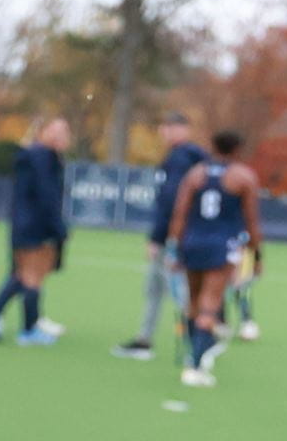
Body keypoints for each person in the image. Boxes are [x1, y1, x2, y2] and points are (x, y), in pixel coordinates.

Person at [166, 128, 262, 388]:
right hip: (221, 246)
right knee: (210, 302)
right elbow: (251, 221)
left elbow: (180, 214)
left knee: (192, 302)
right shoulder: (243, 177)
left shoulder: (195, 175)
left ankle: (191, 354)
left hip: (191, 243)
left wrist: (174, 248)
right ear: (236, 150)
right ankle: (195, 367)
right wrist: (256, 254)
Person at [111, 112, 205, 361]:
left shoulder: (181, 157)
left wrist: (158, 237)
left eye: (168, 127)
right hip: (190, 234)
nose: (164, 133)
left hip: (175, 237)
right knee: (160, 289)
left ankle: (197, 345)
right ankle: (146, 339)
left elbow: (171, 201)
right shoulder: (193, 157)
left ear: (181, 129)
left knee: (179, 292)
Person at [0, 115, 73, 347]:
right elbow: (46, 196)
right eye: (56, 130)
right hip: (33, 226)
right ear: (42, 131)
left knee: (23, 275)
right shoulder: (41, 156)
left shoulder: (40, 156)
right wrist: (58, 227)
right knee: (32, 277)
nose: (61, 136)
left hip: (27, 224)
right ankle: (28, 330)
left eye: (65, 131)